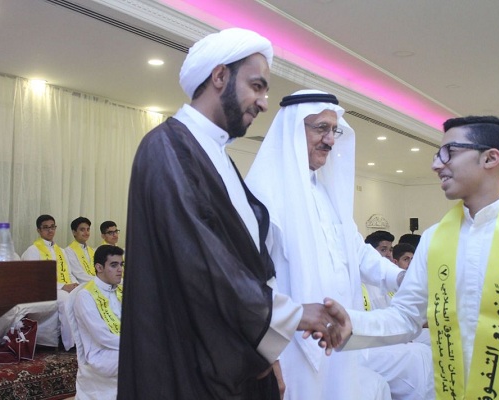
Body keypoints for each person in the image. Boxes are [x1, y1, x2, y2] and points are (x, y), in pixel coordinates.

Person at [118, 29, 344, 400]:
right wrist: (293, 314)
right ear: (220, 76)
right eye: (256, 86)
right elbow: (202, 263)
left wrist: (270, 353)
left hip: (239, 363)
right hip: (188, 365)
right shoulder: (166, 148)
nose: (264, 103)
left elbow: (249, 259)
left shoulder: (216, 154)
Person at [338, 116, 499, 399]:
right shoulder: (434, 239)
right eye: (437, 154)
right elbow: (405, 315)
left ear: (490, 158)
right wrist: (351, 323)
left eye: (449, 152)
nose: (436, 164)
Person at [246, 90, 432, 399]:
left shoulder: (326, 194)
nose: (330, 140)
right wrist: (268, 353)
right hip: (290, 344)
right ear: (294, 129)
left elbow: (357, 252)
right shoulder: (263, 194)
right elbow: (252, 281)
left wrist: (401, 278)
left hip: (338, 341)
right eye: (321, 128)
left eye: (335, 130)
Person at [70, 244, 124, 400]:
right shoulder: (85, 295)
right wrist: (135, 345)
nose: (120, 270)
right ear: (99, 267)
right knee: (147, 355)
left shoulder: (121, 289)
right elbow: (102, 337)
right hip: (101, 353)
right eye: (114, 265)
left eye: (121, 264)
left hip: (121, 346)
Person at [21, 214, 77, 349]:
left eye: (52, 227)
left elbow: (69, 273)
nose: (50, 230)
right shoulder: (33, 250)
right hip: (41, 291)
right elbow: (33, 279)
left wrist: (76, 285)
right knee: (66, 298)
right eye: (46, 228)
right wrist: (62, 286)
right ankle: (71, 343)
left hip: (61, 288)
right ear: (38, 230)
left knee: (81, 295)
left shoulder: (61, 251)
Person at [65, 216, 95, 285]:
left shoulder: (92, 250)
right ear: (74, 232)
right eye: (82, 230)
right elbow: (78, 274)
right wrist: (100, 281)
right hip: (82, 285)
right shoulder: (69, 251)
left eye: (88, 229)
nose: (86, 233)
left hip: (96, 282)